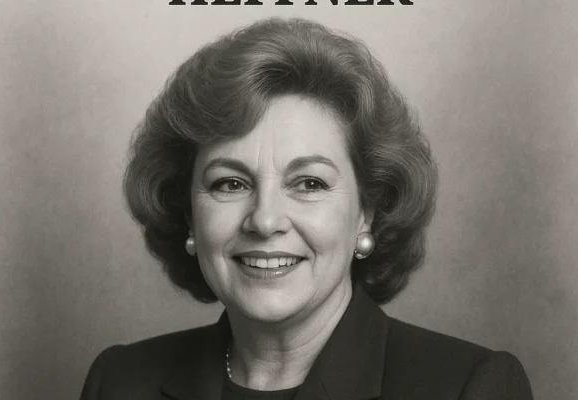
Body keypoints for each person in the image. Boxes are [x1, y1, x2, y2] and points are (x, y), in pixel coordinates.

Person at [80, 17, 533, 400]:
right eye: (230, 183)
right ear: (188, 215)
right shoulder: (119, 382)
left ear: (368, 213)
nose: (265, 220)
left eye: (309, 183)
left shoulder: (468, 388)